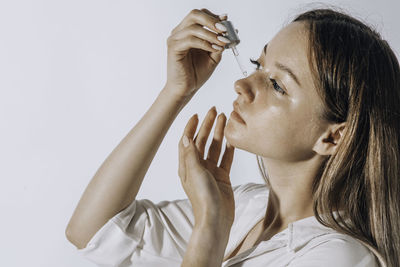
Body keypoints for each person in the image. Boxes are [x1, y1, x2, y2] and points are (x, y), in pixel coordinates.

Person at [65, 6, 400, 267]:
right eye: (258, 63)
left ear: (333, 137)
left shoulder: (339, 258)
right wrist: (177, 91)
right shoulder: (247, 207)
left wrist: (210, 227)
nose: (242, 85)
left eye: (277, 85)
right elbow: (91, 231)